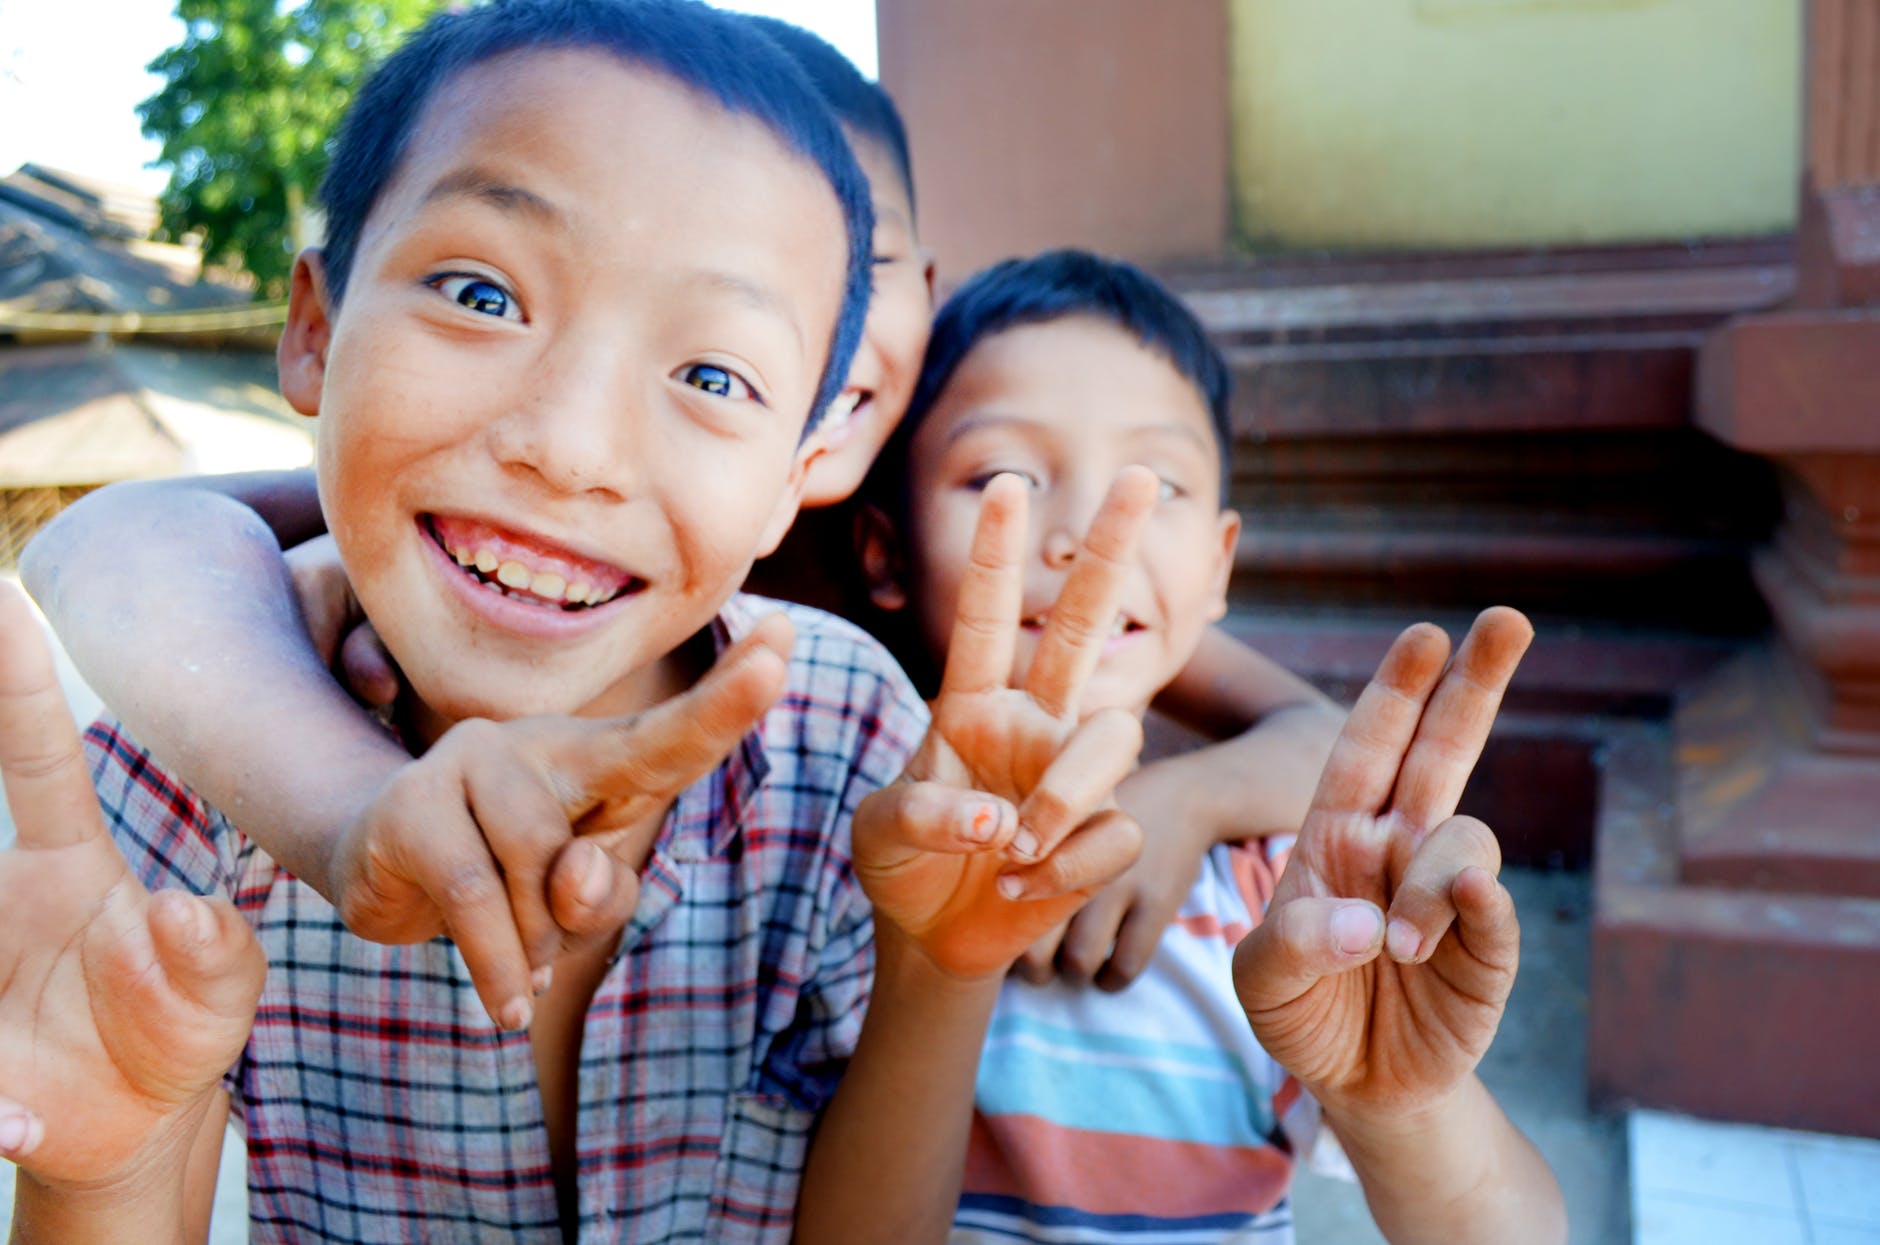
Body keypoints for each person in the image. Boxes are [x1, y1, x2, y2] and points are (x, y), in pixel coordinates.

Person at [22, 18, 1342, 1012]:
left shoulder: (972, 528)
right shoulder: (548, 501)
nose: (575, 448)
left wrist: (1182, 803)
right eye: (484, 296)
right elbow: (112, 544)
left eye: (862, 260)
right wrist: (335, 725)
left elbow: (1312, 732)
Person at [0, 1, 965, 1238]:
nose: (569, 448)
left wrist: (945, 969)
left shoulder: (844, 746)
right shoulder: (188, 765)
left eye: (711, 376)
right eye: (481, 294)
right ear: (313, 333)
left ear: (796, 474)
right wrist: (96, 1175)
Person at [791, 252, 1569, 1244]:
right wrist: (937, 970)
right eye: (1003, 476)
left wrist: (1406, 1107)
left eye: (1158, 485)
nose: (1088, 534)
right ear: (885, 551)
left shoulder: (1282, 899)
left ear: (1217, 564)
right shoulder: (843, 858)